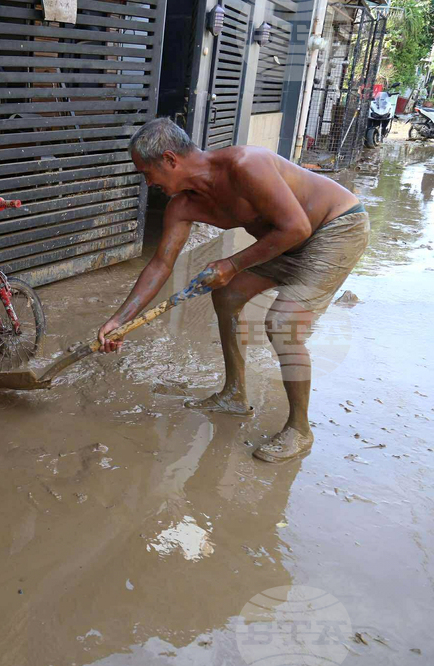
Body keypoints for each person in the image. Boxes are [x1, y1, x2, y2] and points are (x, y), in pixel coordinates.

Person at [97, 118, 369, 462]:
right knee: (226, 295)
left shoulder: (245, 165)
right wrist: (119, 320)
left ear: (169, 159)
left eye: (147, 173)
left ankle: (300, 430)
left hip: (335, 228)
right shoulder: (183, 205)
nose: (148, 183)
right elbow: (161, 264)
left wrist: (232, 265)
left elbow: (297, 226)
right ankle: (235, 394)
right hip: (285, 240)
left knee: (283, 324)